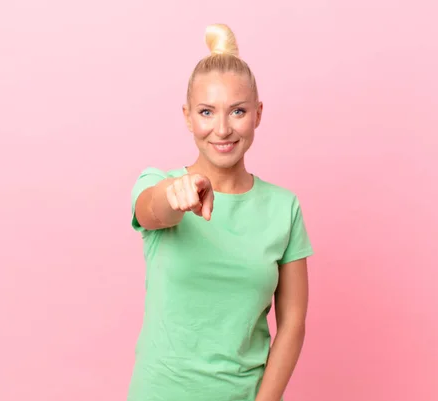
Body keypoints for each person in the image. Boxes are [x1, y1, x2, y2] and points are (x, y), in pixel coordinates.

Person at [127, 23, 314, 401]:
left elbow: (292, 323)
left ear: (258, 114)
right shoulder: (159, 183)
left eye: (238, 111)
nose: (223, 129)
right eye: (207, 112)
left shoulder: (284, 208)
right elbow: (152, 210)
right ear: (187, 117)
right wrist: (177, 192)